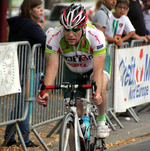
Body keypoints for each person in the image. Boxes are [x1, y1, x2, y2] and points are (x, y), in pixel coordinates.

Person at [36, 3, 110, 142]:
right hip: (72, 70)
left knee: (99, 86)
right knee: (74, 115)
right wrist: (46, 92)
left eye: (75, 29)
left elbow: (98, 71)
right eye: (67, 29)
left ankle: (101, 120)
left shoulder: (96, 36)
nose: (70, 34)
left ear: (83, 27)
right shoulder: (53, 36)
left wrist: (97, 92)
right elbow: (51, 67)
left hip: (94, 66)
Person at [4, 0, 46, 147]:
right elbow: (46, 42)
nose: (41, 10)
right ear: (30, 10)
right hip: (29, 69)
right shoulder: (31, 25)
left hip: (19, 69)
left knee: (20, 105)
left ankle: (9, 137)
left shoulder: (19, 23)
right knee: (25, 106)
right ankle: (25, 139)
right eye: (38, 8)